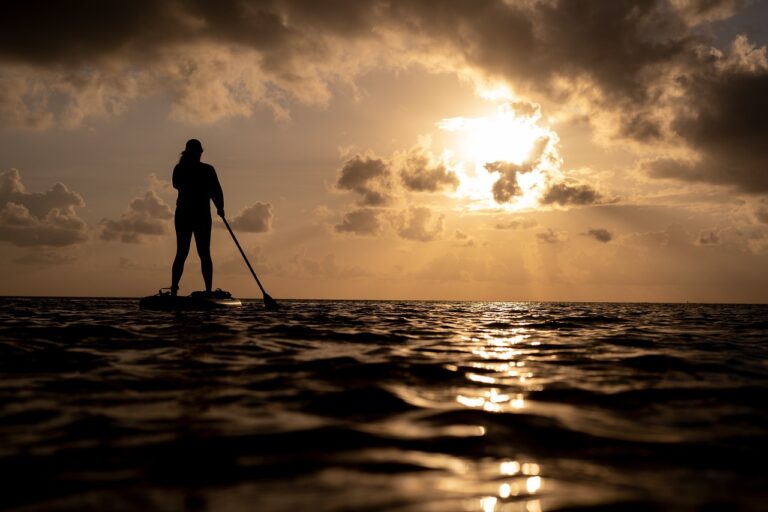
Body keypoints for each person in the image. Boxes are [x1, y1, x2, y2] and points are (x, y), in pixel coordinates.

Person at [170, 139, 224, 296]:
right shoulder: (181, 169)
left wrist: (220, 207)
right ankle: (174, 288)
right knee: (183, 252)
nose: (199, 154)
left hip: (199, 216)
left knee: (203, 253)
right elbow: (177, 184)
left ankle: (207, 290)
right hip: (188, 215)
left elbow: (217, 191)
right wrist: (200, 186)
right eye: (198, 152)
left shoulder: (208, 170)